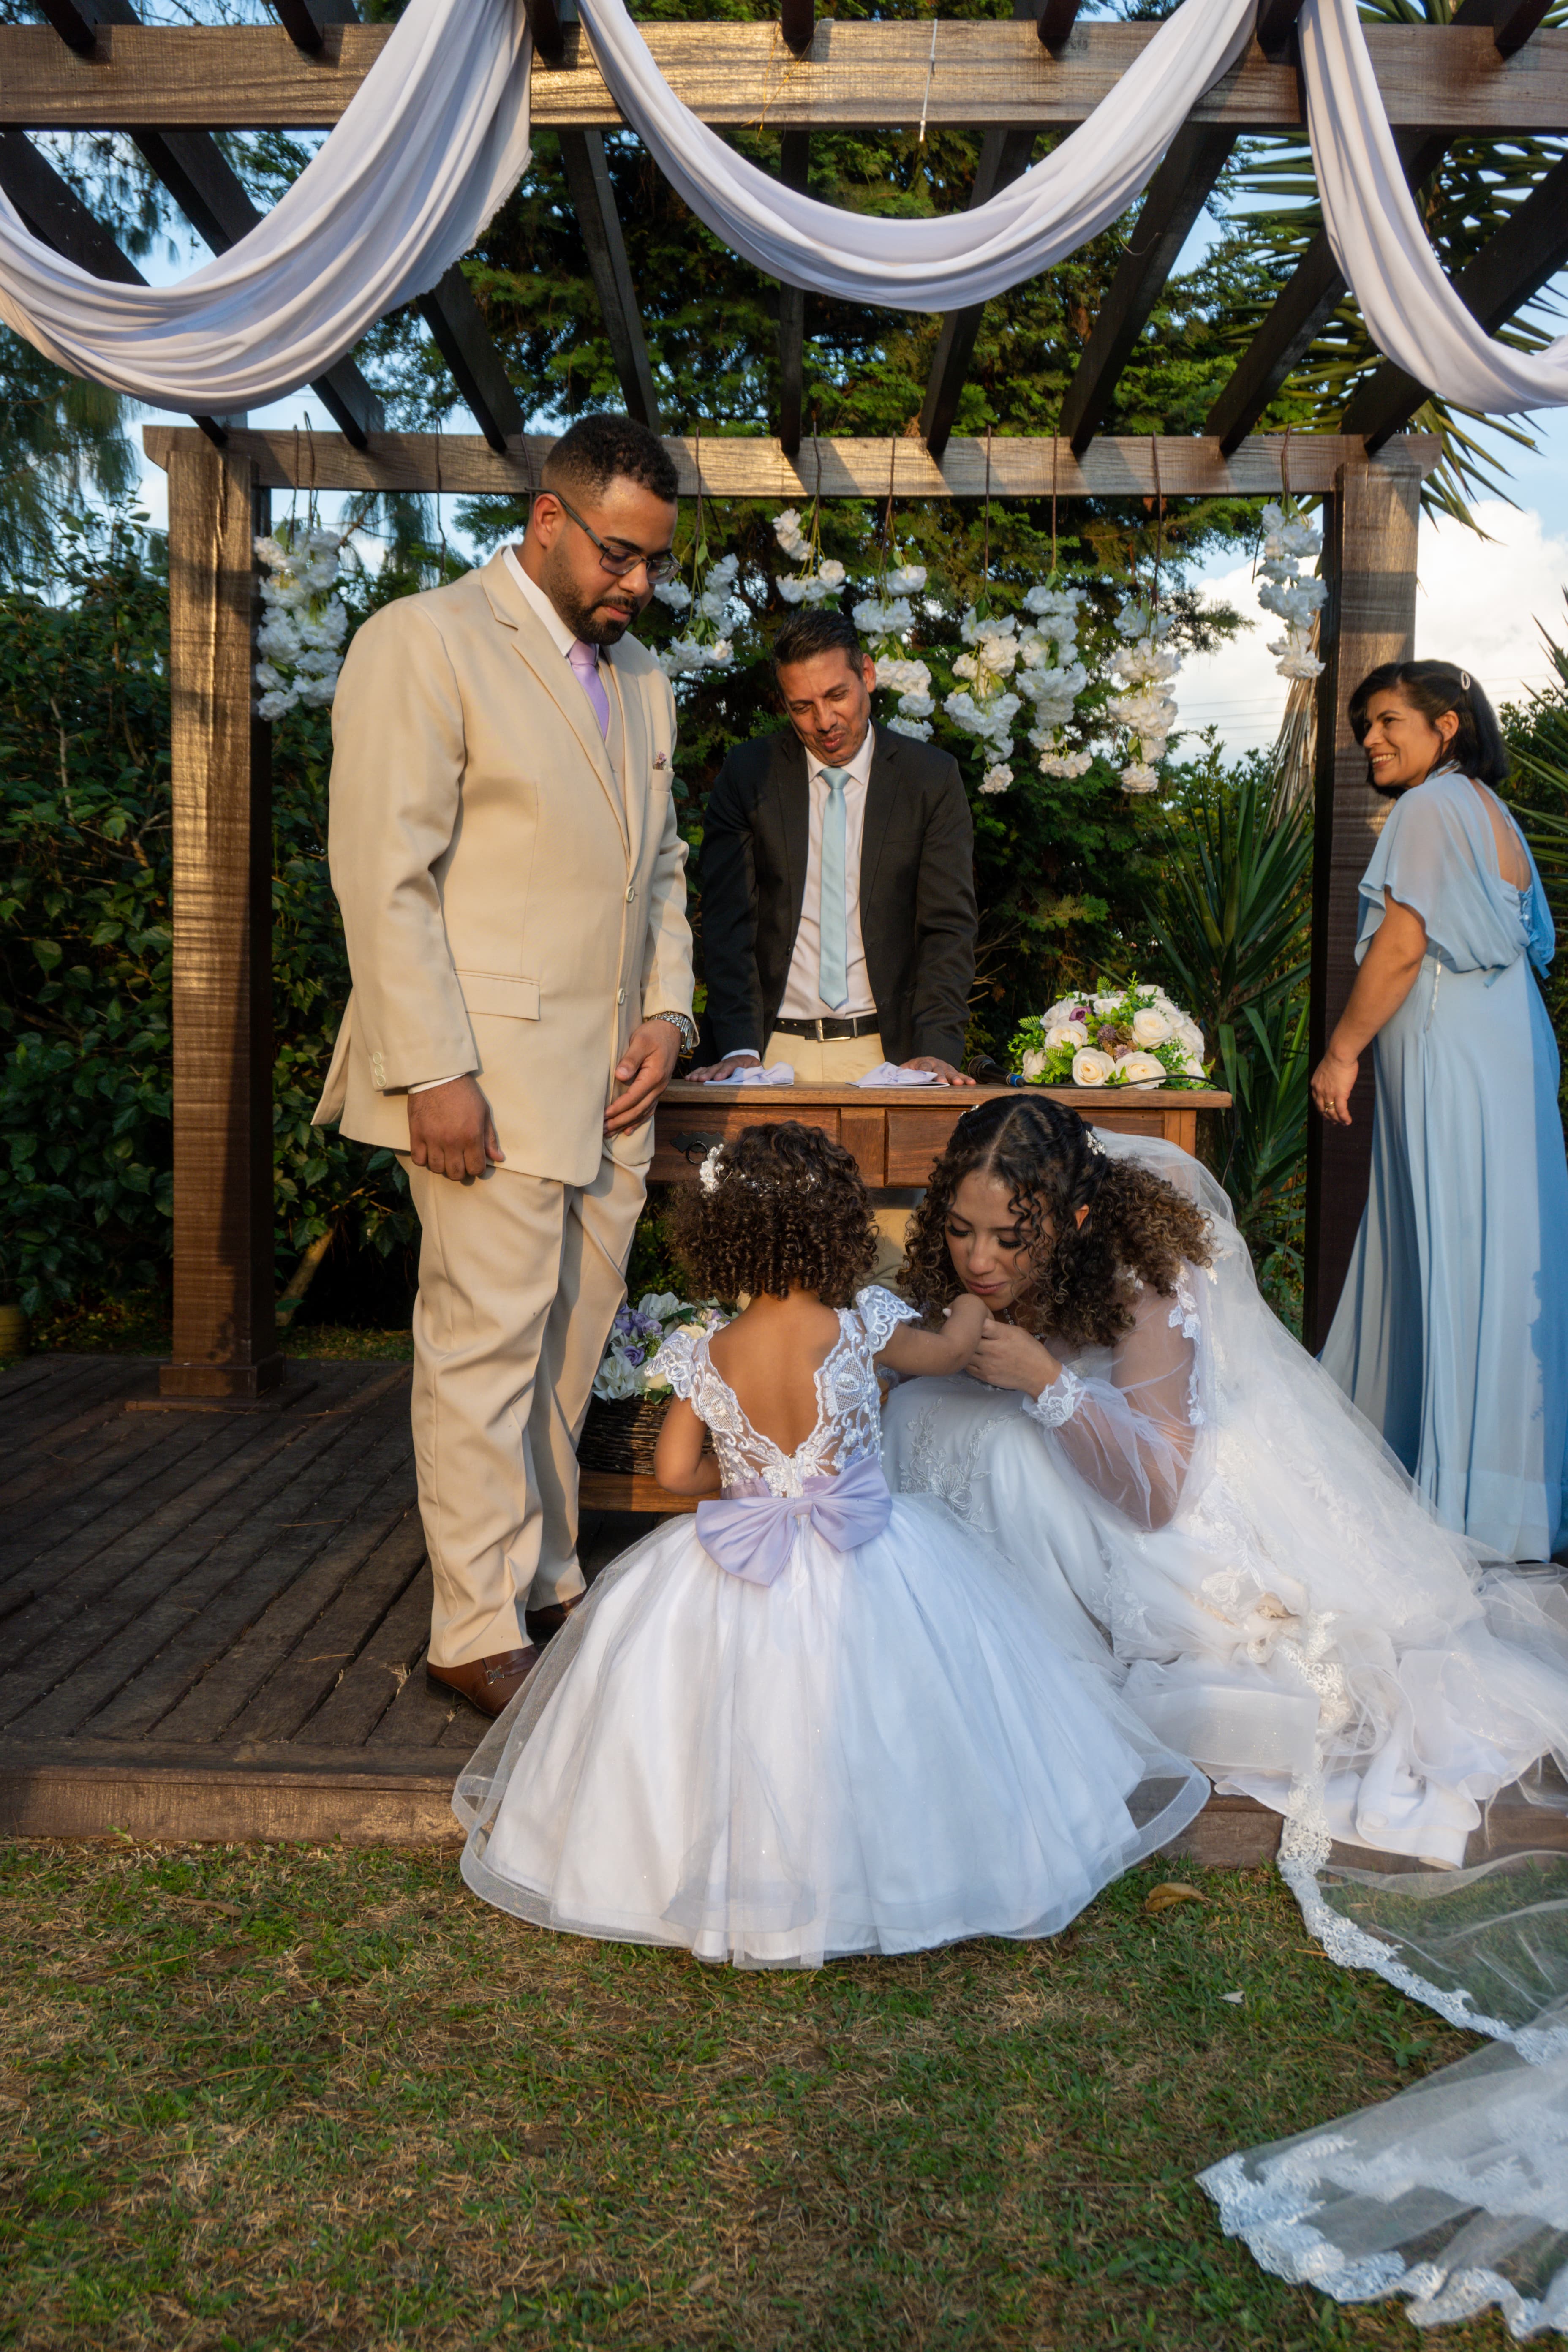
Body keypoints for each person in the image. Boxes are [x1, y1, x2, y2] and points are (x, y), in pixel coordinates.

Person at [452, 1122, 1207, 1969]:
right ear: (840, 1229)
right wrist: (967, 1310)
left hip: (744, 1545)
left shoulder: (709, 1350)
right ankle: (897, 1870)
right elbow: (951, 1351)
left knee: (723, 1716)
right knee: (896, 1703)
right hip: (862, 1547)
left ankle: (688, 1876)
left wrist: (754, 1488)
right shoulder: (860, 1328)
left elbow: (673, 1472)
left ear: (723, 1236)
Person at [882, 1094, 1568, 1880]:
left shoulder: (1144, 1283)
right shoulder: (974, 1270)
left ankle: (1044, 1636)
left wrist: (1046, 1384)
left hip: (1165, 1510)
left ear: (1072, 1221)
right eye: (961, 1230)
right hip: (1076, 1482)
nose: (978, 1261)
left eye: (1010, 1238)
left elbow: (1160, 1493)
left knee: (1007, 1443)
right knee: (930, 1409)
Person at [313, 414, 697, 1719]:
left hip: (613, 1086)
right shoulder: (421, 644)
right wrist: (432, 1071)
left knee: (566, 1353)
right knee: (480, 1352)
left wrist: (671, 1018)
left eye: (652, 564)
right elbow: (384, 875)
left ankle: (542, 1573)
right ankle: (470, 1626)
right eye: (620, 555)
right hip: (481, 1080)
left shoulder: (643, 681)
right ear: (549, 519)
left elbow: (661, 871)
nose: (637, 585)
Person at [1312, 660, 1568, 1564]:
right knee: (1499, 1257)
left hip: (1452, 1050)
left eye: (1386, 721)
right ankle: (1499, 1496)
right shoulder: (1491, 814)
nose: (1371, 740)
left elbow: (1401, 944)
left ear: (1447, 723)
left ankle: (1452, 1506)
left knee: (1457, 1250)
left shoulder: (1427, 810)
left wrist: (1340, 1051)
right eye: (1363, 728)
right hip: (1504, 1043)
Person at [690, 605, 980, 1278]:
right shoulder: (749, 774)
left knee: (886, 1274)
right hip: (774, 1055)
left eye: (837, 695)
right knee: (767, 1275)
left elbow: (948, 926)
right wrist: (736, 1044)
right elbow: (728, 927)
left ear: (868, 676)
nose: (824, 721)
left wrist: (935, 1050)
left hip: (888, 1056)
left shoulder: (930, 779)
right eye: (802, 706)